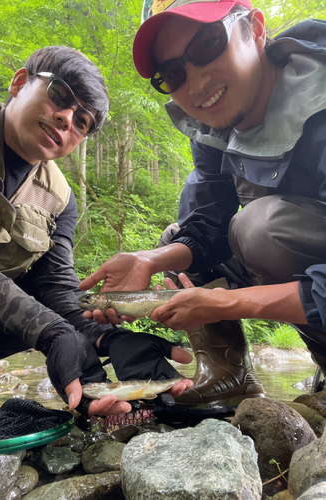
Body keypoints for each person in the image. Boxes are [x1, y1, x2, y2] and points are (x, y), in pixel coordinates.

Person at [79, 0, 326, 408]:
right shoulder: (214, 130)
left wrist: (226, 302)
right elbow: (210, 225)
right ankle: (229, 375)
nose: (194, 85)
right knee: (177, 242)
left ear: (256, 29)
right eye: (173, 73)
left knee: (260, 228)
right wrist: (151, 260)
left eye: (209, 44)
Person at [0, 45, 192, 416]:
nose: (67, 119)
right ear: (19, 83)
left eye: (83, 121)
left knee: (52, 309)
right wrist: (52, 332)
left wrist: (105, 337)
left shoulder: (60, 198)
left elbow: (55, 286)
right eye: (60, 96)